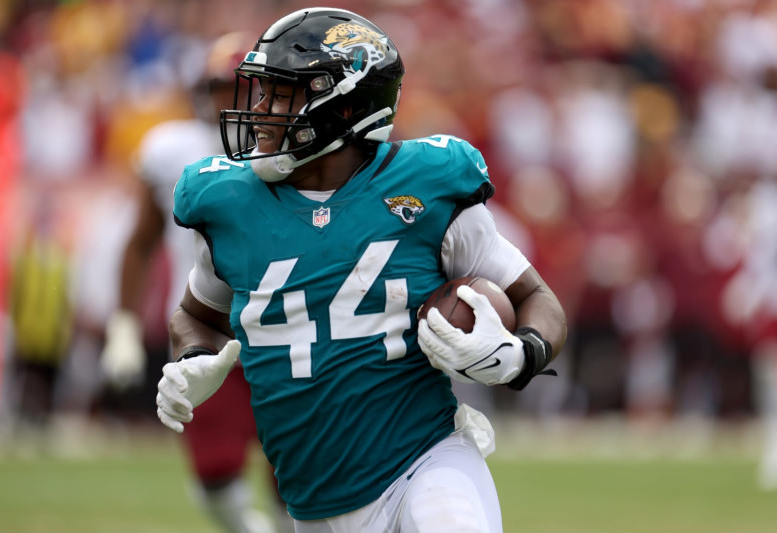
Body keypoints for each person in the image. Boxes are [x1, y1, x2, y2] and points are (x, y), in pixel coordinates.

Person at [155, 8, 567, 532]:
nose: (259, 111)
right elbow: (196, 315)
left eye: (281, 94)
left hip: (426, 462)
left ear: (343, 109)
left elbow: (537, 298)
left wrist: (520, 354)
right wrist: (191, 358)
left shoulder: (428, 185)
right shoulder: (228, 205)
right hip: (311, 502)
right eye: (260, 91)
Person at [100, 33, 283, 533]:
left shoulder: (299, 150)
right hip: (206, 326)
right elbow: (140, 242)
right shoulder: (171, 149)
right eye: (220, 87)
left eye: (243, 88)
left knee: (294, 473)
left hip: (286, 326)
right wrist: (123, 328)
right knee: (215, 469)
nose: (230, 101)